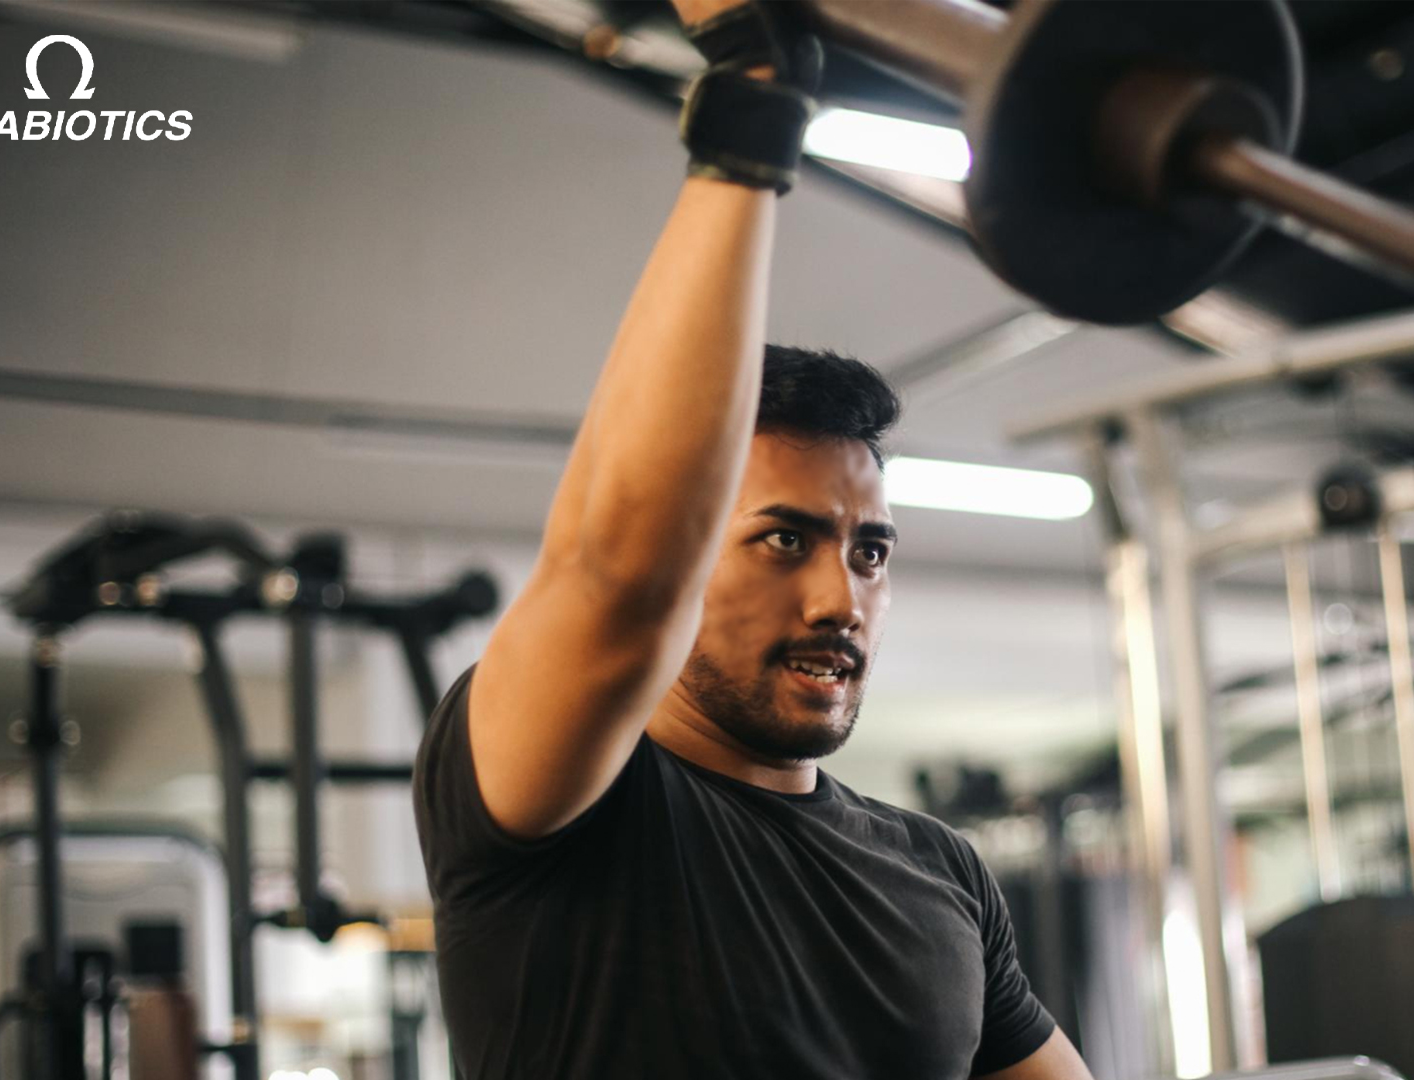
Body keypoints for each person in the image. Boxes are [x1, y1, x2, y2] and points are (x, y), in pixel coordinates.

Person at [411, 1, 1093, 1076]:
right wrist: (753, 109)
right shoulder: (565, 803)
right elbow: (620, 576)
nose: (841, 599)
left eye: (870, 552)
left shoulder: (940, 872)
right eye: (783, 540)